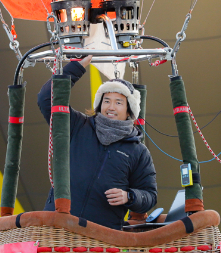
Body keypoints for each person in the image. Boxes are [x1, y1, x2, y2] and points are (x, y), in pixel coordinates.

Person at [37, 56, 157, 229]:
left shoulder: (138, 151)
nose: (111, 107)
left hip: (102, 238)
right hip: (58, 227)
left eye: (118, 102)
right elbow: (46, 99)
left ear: (129, 110)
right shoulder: (78, 125)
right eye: (106, 101)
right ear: (99, 104)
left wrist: (129, 196)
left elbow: (150, 196)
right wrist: (78, 66)